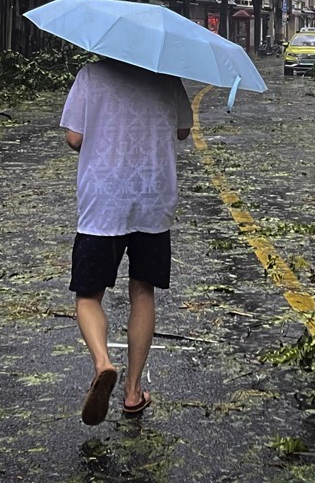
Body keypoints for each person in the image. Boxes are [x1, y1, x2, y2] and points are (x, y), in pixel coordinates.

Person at [60, 57, 193, 425]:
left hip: (103, 201)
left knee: (88, 295)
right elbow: (183, 130)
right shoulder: (167, 76)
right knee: (142, 290)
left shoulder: (90, 75)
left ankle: (103, 362)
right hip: (153, 197)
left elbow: (74, 137)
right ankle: (133, 392)